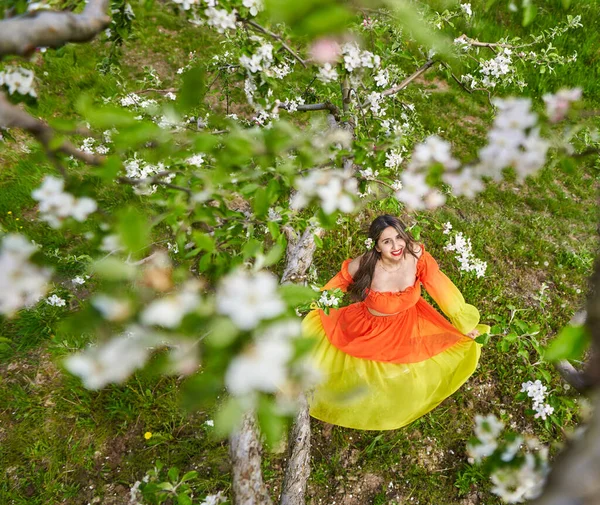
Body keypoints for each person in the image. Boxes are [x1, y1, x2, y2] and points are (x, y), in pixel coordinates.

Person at [303, 214, 490, 430]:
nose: (396, 246)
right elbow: (331, 290)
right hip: (369, 329)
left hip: (407, 323)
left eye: (399, 237)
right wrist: (308, 305)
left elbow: (441, 289)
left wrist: (464, 324)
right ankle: (344, 407)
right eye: (386, 241)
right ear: (376, 246)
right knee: (360, 373)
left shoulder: (416, 256)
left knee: (403, 374)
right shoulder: (364, 265)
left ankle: (387, 404)